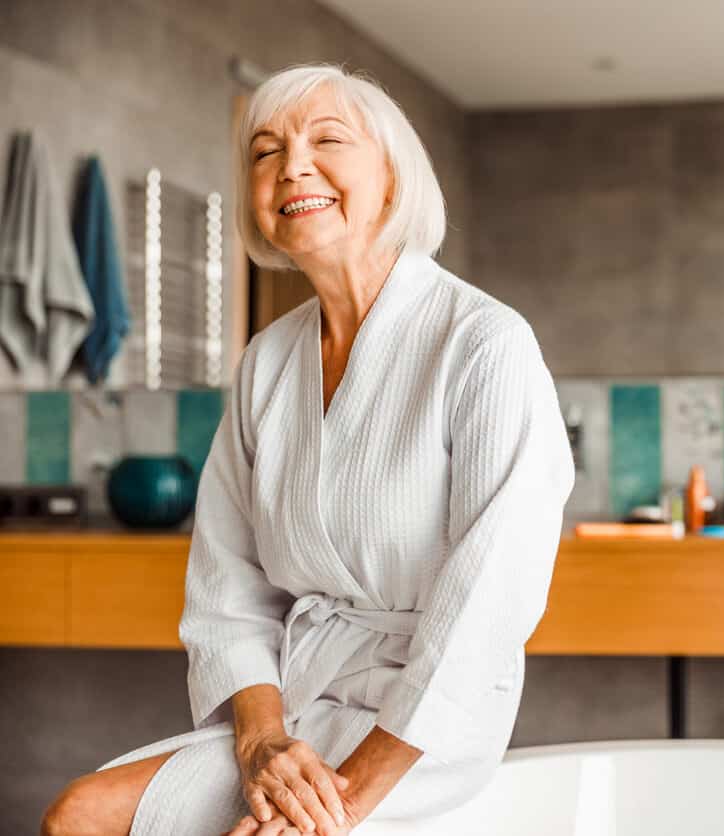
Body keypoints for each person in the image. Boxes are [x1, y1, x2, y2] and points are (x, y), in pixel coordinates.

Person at [40, 63, 575, 836]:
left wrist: (337, 802)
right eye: (265, 152)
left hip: (424, 729)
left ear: (392, 178)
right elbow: (227, 585)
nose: (292, 165)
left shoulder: (483, 343)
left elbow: (492, 603)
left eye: (327, 139)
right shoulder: (266, 362)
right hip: (297, 708)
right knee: (77, 813)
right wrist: (262, 743)